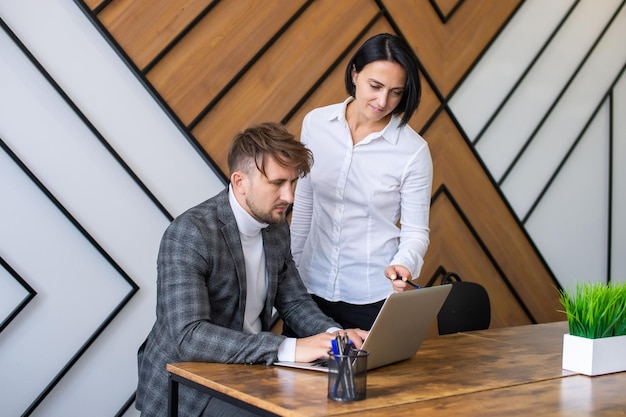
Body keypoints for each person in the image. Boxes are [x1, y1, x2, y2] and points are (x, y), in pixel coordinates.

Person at [136, 122, 367, 417]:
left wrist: (336, 337)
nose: (290, 196)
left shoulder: (275, 226)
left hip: (253, 371)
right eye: (277, 183)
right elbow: (190, 336)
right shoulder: (190, 233)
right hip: (190, 384)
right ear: (239, 182)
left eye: (293, 182)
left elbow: (294, 301)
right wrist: (290, 349)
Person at [287, 33, 433, 332]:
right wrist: (291, 276)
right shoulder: (316, 124)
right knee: (295, 378)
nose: (383, 101)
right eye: (375, 86)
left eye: (396, 92)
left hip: (373, 296)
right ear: (355, 73)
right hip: (310, 290)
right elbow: (304, 207)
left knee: (369, 379)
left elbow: (416, 232)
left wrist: (404, 264)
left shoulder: (413, 151)